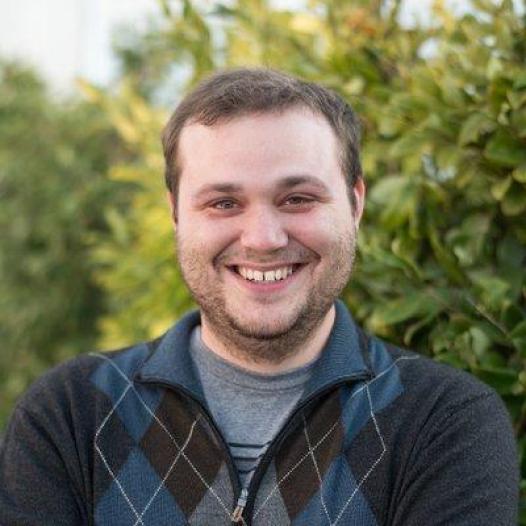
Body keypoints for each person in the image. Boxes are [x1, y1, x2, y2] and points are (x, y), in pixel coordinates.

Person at [0, 68, 519, 526]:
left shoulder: (443, 422)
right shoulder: (71, 417)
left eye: (297, 198)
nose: (263, 238)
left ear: (355, 204)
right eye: (224, 203)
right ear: (176, 213)